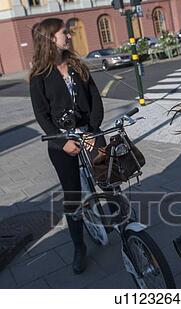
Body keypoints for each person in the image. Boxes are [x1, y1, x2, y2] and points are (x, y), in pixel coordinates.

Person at [29, 18, 104, 274]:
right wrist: (62, 143)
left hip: (88, 133)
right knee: (72, 195)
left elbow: (95, 97)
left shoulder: (77, 65)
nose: (69, 36)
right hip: (61, 142)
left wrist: (93, 130)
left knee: (109, 175)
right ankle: (79, 246)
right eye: (64, 33)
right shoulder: (39, 75)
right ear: (50, 39)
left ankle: (121, 222)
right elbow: (42, 115)